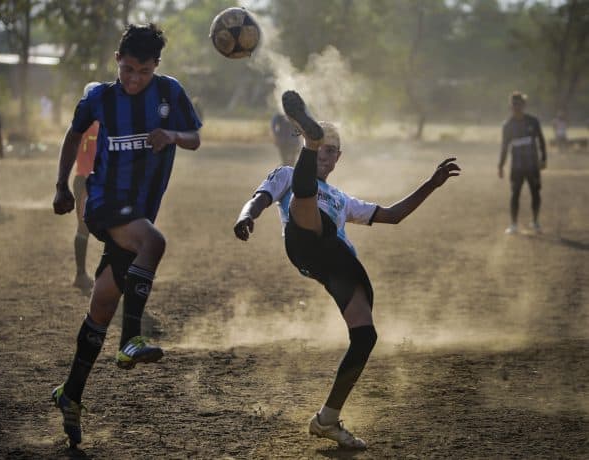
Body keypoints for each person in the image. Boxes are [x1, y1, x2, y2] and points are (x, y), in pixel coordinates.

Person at [233, 90, 460, 450]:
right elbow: (259, 198)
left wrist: (431, 184)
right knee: (306, 204)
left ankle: (326, 419)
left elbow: (393, 215)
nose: (327, 154)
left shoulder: (343, 198)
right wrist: (246, 216)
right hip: (303, 241)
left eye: (329, 148)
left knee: (366, 337)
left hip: (337, 261)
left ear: (337, 157)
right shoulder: (287, 174)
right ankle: (308, 142)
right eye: (319, 146)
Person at [51, 23, 202, 448]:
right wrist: (62, 185)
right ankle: (131, 339)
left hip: (138, 209)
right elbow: (74, 134)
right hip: (102, 201)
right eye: (128, 69)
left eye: (144, 71)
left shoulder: (170, 93)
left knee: (100, 306)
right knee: (154, 242)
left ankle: (70, 395)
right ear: (118, 59)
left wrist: (171, 135)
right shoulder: (99, 96)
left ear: (157, 67)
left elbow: (194, 137)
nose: (134, 79)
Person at [498, 92, 547, 234]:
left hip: (533, 166)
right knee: (515, 193)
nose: (516, 107)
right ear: (510, 106)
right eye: (514, 104)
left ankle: (535, 221)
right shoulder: (507, 126)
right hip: (517, 167)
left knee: (535, 193)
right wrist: (501, 165)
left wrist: (543, 159)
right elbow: (504, 147)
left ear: (524, 105)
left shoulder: (533, 121)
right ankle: (513, 224)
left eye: (519, 104)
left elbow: (541, 141)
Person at [71, 82, 100, 291]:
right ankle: (80, 275)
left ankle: (104, 275)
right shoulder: (86, 124)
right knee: (84, 227)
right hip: (84, 180)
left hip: (97, 180)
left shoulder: (99, 122)